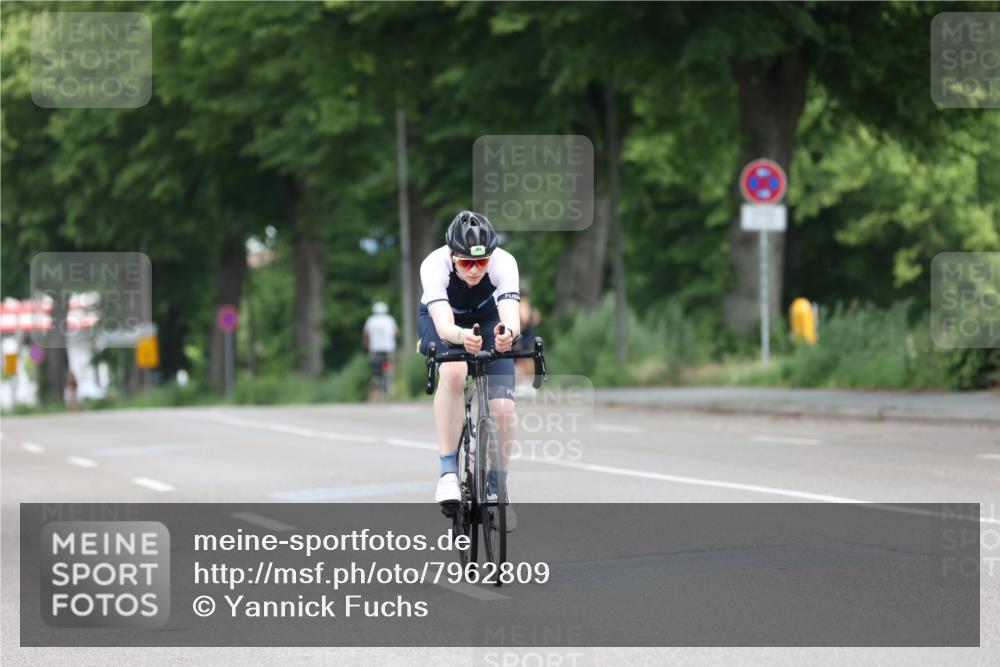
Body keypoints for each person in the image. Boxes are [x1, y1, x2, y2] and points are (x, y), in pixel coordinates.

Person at [417, 210, 519, 531]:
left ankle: (497, 487)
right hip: (445, 322)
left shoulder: (505, 262)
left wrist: (506, 336)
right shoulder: (434, 265)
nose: (475, 270)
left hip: (488, 319)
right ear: (452, 256)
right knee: (454, 372)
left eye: (482, 263)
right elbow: (445, 325)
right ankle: (448, 472)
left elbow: (510, 317)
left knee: (503, 408)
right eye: (466, 263)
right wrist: (462, 337)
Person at [362, 301, 399, 396]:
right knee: (388, 363)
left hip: (375, 348)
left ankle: (377, 381)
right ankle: (389, 380)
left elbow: (366, 334)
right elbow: (396, 333)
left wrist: (366, 344)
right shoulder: (390, 319)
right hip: (388, 348)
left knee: (374, 366)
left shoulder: (371, 320)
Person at [515, 284, 542, 393]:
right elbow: (537, 318)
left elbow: (525, 319)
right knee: (527, 359)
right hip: (527, 335)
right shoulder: (527, 303)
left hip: (522, 336)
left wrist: (519, 327)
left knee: (521, 361)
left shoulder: (522, 302)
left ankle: (522, 385)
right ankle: (528, 384)